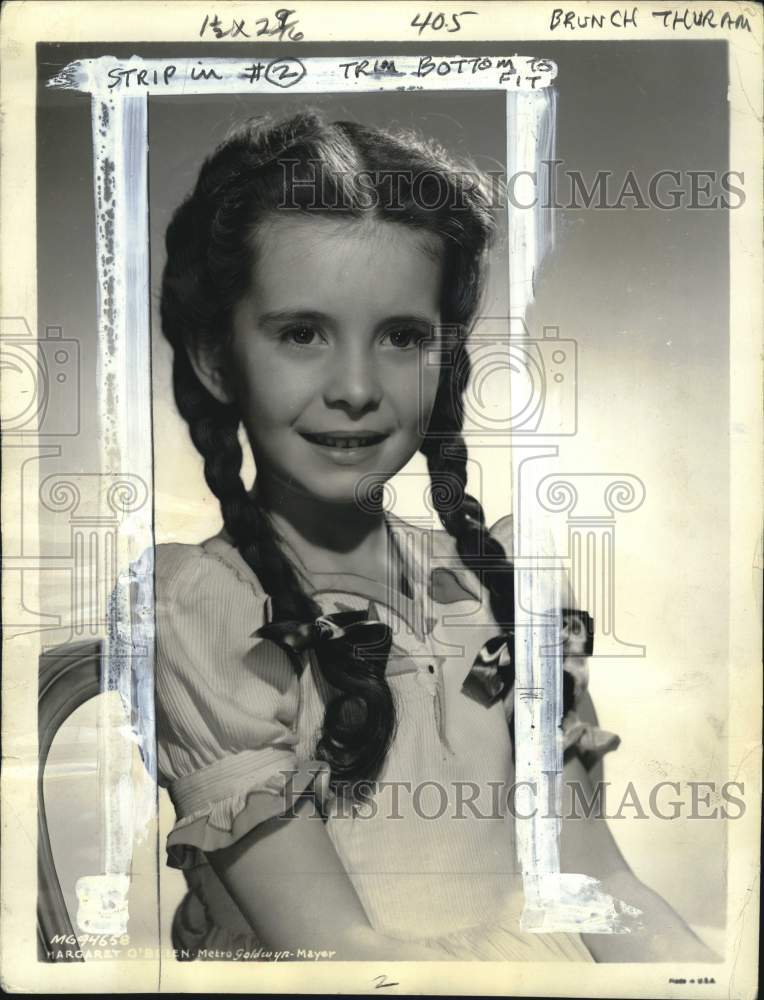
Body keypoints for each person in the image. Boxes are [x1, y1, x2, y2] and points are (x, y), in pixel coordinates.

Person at [148, 110, 716, 962]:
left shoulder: (507, 587)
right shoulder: (206, 611)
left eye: (402, 337)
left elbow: (603, 887)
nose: (355, 388)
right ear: (215, 357)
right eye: (302, 334)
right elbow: (340, 957)